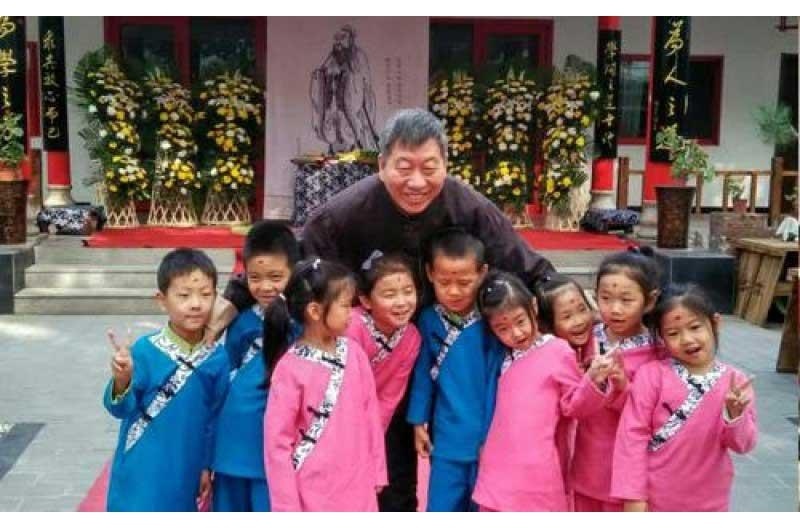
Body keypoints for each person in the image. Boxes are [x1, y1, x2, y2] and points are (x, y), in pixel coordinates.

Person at [213, 108, 556, 511]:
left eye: (430, 168)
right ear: (381, 165)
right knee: (372, 459)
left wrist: (570, 314)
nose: (417, 182)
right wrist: (231, 300)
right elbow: (296, 261)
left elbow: (530, 267)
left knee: (439, 464)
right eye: (404, 168)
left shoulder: (468, 206)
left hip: (433, 349)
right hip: (362, 357)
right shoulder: (346, 211)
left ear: (446, 164)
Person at [472, 272, 615, 511]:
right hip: (498, 463)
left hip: (538, 466)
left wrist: (594, 380)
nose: (516, 333)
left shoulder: (558, 350)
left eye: (520, 321)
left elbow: (573, 406)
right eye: (502, 328)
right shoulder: (502, 356)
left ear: (534, 306)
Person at [611, 283, 758, 511]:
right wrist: (633, 496)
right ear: (662, 338)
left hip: (710, 502)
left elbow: (743, 445)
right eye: (673, 333)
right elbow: (631, 437)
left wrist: (734, 415)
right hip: (656, 498)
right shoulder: (651, 375)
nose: (687, 339)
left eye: (695, 327)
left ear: (715, 323)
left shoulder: (736, 382)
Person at [103, 249, 229, 511]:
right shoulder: (144, 350)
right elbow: (120, 409)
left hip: (186, 465)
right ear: (162, 300)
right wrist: (122, 380)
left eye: (205, 294)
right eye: (184, 295)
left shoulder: (217, 357)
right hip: (142, 463)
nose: (196, 304)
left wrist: (206, 465)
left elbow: (215, 417)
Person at [263, 258, 387, 511]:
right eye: (345, 305)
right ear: (315, 311)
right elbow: (277, 443)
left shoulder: (355, 353)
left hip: (359, 481)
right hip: (312, 489)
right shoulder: (289, 368)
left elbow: (370, 415)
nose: (352, 313)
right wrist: (287, 507)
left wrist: (377, 470)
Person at [406, 229, 505, 511]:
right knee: (442, 505)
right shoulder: (429, 319)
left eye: (464, 283)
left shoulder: (492, 321)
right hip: (446, 437)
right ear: (429, 273)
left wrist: (491, 435)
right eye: (444, 282)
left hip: (488, 436)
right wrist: (418, 421)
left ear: (482, 273)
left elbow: (496, 382)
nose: (453, 291)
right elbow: (423, 374)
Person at [211, 221, 300, 512]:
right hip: (234, 435)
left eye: (276, 277)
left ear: (294, 272)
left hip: (280, 437)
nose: (265, 287)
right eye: (255, 278)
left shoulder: (304, 321)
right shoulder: (241, 321)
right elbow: (229, 370)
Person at [570, 247, 664, 512]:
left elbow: (653, 416)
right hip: (586, 461)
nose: (615, 309)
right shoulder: (586, 338)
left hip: (627, 471)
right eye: (605, 298)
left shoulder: (657, 352)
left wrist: (622, 386)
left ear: (650, 301)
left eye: (626, 300)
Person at [534, 273, 599, 508]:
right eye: (567, 316)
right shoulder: (548, 357)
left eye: (582, 309)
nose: (579, 321)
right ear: (548, 324)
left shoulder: (599, 345)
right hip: (559, 444)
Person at [346, 252, 422, 431]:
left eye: (408, 292)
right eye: (389, 295)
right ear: (366, 300)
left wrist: (374, 433)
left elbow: (389, 397)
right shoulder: (350, 326)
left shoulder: (411, 337)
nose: (402, 302)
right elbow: (344, 387)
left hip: (372, 420)